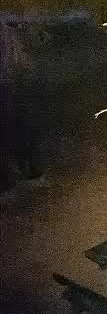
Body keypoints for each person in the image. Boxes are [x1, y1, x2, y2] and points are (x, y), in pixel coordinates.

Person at [0, 21, 40, 193]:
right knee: (15, 126)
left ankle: (13, 171)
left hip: (9, 83)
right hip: (9, 83)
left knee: (14, 126)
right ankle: (20, 168)